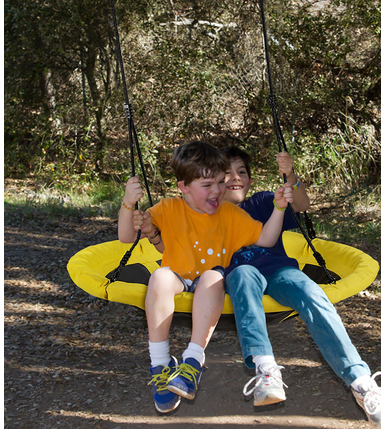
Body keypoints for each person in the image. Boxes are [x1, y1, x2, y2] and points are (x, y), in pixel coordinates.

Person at [221, 146, 381, 429]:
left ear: (251, 180)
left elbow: (301, 205)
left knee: (311, 292)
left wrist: (291, 175)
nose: (235, 178)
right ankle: (267, 371)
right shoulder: (205, 215)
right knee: (243, 274)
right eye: (226, 173)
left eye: (241, 172)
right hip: (241, 278)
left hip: (279, 270)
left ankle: (362, 384)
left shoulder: (265, 202)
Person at [118, 140, 293, 414]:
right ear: (183, 187)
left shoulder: (231, 214)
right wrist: (129, 203)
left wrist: (279, 208)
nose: (217, 191)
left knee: (213, 277)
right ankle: (160, 364)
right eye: (207, 185)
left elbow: (266, 239)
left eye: (220, 183)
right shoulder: (167, 209)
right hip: (178, 277)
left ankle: (192, 362)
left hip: (210, 282)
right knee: (160, 276)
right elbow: (126, 237)